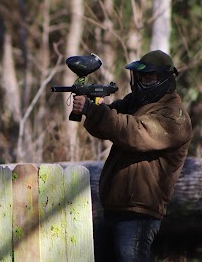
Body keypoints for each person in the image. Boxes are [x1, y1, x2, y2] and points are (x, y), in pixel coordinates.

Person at [72, 50, 192, 261]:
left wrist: (94, 109)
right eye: (142, 77)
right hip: (114, 209)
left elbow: (134, 133)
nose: (144, 82)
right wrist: (93, 106)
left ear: (164, 79)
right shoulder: (135, 103)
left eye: (150, 77)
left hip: (139, 214)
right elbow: (105, 126)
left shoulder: (175, 116)